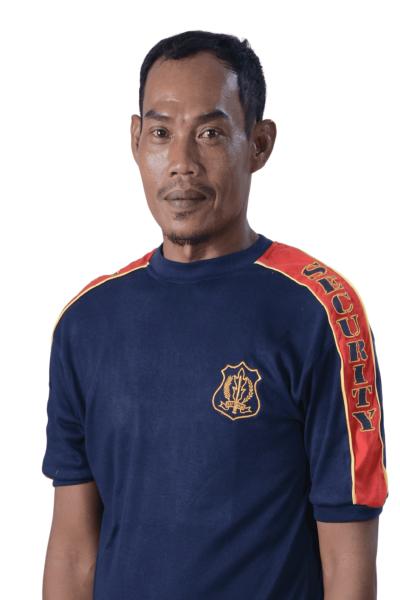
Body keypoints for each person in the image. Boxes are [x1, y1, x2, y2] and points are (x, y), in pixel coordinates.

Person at [41, 30, 389, 600]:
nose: (181, 163)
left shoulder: (321, 313)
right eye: (161, 133)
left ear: (259, 145)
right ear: (136, 140)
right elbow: (74, 549)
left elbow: (346, 560)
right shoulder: (86, 323)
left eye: (210, 133)